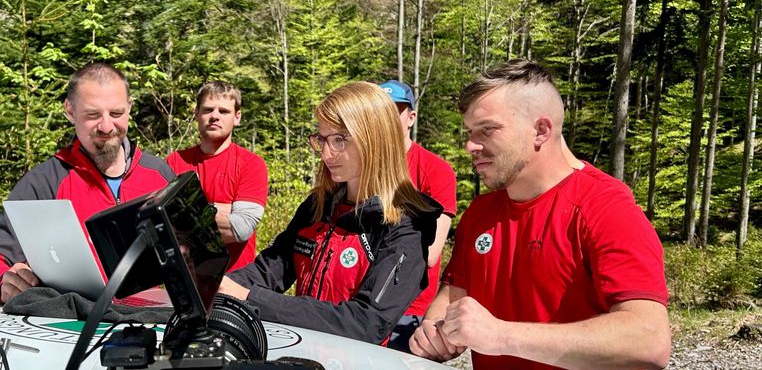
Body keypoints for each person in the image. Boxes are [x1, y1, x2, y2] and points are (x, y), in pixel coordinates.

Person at [409, 59, 671, 369]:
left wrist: (501, 336)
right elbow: (455, 291)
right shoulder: (481, 213)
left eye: (487, 130)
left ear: (541, 130)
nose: (470, 145)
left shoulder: (605, 206)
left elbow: (649, 341)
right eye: (470, 132)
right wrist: (435, 330)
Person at [218, 81, 442, 344]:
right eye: (322, 139)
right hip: (302, 352)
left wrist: (250, 298)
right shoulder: (320, 205)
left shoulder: (406, 224)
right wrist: (218, 286)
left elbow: (367, 322)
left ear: (375, 140)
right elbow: (270, 269)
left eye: (340, 140)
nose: (326, 153)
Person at [0, 62, 175, 304]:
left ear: (129, 108)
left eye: (116, 113)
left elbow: (199, 256)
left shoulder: (159, 174)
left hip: (152, 321)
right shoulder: (45, 181)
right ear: (70, 111)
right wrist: (2, 282)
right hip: (73, 329)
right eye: (92, 115)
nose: (106, 126)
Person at [378, 80, 457, 352]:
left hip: (407, 309)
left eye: (394, 112)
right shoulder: (359, 167)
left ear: (410, 117)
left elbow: (431, 252)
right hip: (356, 304)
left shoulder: (435, 170)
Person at [166, 81, 268, 272]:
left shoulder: (251, 164)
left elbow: (241, 228)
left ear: (237, 117)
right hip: (186, 279)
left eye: (224, 111)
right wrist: (224, 209)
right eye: (208, 110)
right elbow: (160, 224)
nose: (214, 116)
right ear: (197, 114)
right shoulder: (174, 162)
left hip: (234, 282)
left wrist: (187, 211)